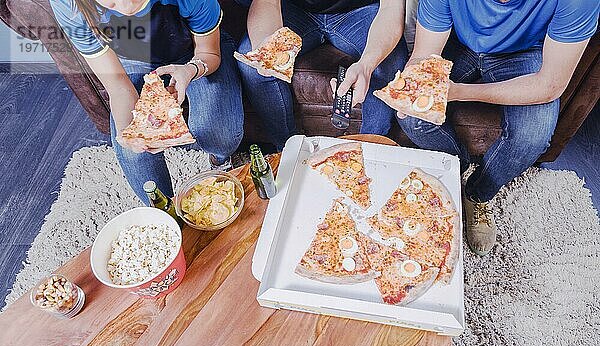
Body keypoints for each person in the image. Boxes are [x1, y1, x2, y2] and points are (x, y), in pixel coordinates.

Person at [397, 0, 599, 256]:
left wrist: (458, 93)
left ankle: (477, 194)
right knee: (413, 118)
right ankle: (456, 166)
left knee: (533, 135)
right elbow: (425, 55)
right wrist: (410, 89)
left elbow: (549, 86)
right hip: (458, 45)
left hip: (524, 53)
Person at [49, 0, 244, 203]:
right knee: (132, 153)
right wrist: (133, 135)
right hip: (134, 61)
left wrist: (191, 70)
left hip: (194, 53)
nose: (125, 8)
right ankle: (163, 209)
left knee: (217, 131)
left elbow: (209, 52)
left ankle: (221, 162)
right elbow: (116, 84)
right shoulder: (68, 4)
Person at [236, 0, 409, 151]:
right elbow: (267, 2)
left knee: (389, 64)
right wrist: (266, 51)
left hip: (361, 11)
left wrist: (367, 65)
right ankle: (286, 148)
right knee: (252, 65)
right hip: (295, 10)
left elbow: (391, 7)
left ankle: (372, 148)